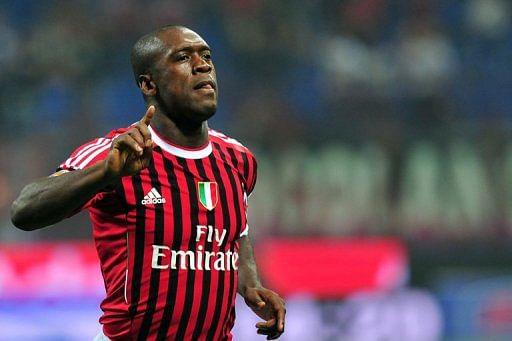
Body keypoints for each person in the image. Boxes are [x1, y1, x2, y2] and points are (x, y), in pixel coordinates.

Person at [10, 25, 286, 341]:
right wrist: (104, 174)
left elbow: (236, 232)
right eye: (183, 57)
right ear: (148, 83)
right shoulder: (119, 152)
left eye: (206, 56)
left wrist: (251, 285)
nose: (202, 65)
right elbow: (24, 209)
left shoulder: (238, 160)